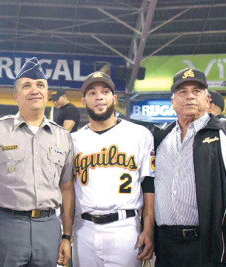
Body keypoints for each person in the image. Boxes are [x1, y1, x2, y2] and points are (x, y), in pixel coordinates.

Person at [152, 68, 226, 267]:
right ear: (173, 102)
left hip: (214, 244)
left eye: (196, 91)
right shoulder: (159, 138)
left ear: (207, 100)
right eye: (182, 92)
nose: (189, 96)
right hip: (166, 246)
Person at [0, 57, 75, 267]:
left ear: (47, 93)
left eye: (40, 85)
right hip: (6, 226)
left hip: (48, 228)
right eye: (27, 86)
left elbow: (67, 189)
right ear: (16, 96)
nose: (34, 90)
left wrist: (67, 236)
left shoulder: (63, 137)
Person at [71, 71, 155, 267]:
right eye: (92, 93)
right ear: (84, 101)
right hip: (83, 228)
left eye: (105, 91)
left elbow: (149, 185)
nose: (99, 96)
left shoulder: (139, 134)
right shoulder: (73, 140)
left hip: (125, 228)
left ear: (114, 99)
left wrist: (148, 228)